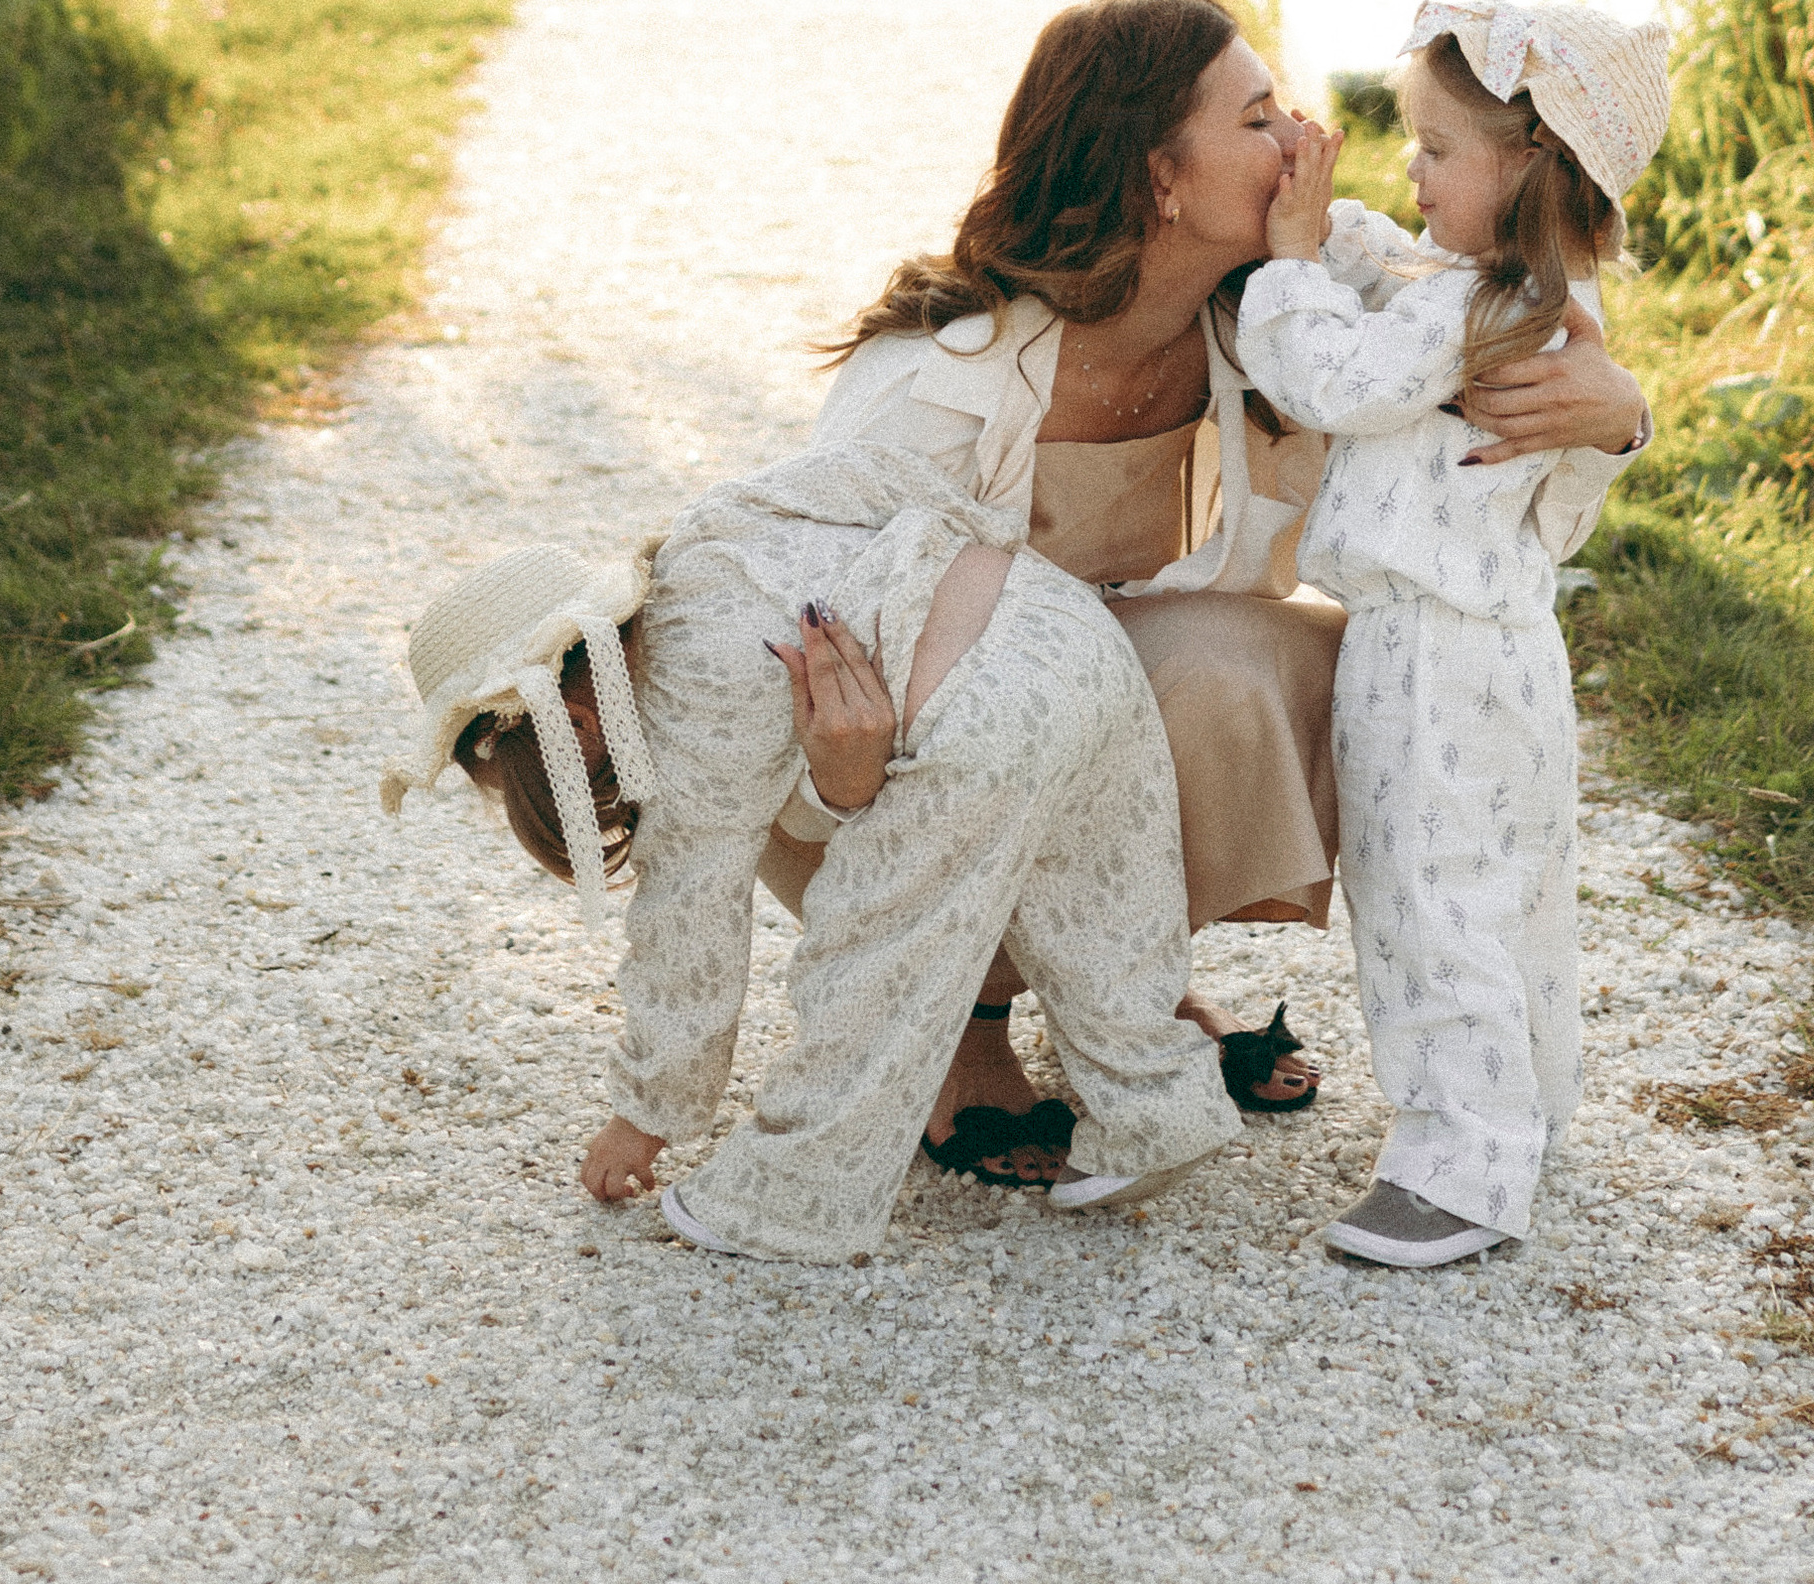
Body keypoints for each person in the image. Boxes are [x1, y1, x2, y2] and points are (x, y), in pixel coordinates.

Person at [802, 0, 1653, 1186]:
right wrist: (839, 768)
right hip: (884, 739)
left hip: (1062, 717)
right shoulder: (937, 379)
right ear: (1159, 175)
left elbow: (1489, 381)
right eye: (1260, 116)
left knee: (1322, 672)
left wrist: (1619, 416)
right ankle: (964, 1026)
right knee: (1048, 697)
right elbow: (794, 604)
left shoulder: (1266, 307)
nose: (1307, 139)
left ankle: (1122, 996)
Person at [381, 442, 1240, 1266]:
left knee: (876, 951)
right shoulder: (714, 531)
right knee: (1100, 899)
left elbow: (688, 937)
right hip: (1064, 628)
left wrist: (643, 1115)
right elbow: (877, 473)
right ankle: (1158, 1111)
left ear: (574, 726)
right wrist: (960, 563)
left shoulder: (679, 709)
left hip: (972, 722)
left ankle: (794, 1191)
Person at [1237, 0, 1671, 1268]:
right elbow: (1400, 281)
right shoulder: (1530, 294)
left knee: (1426, 892)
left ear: (1527, 159)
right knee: (1509, 887)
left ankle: (1460, 1166)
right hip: (1504, 649)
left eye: (1434, 150)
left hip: (1430, 655)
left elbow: (1335, 380)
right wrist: (1339, 236)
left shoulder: (1469, 311)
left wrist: (1282, 264)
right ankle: (1522, 1105)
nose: (1410, 170)